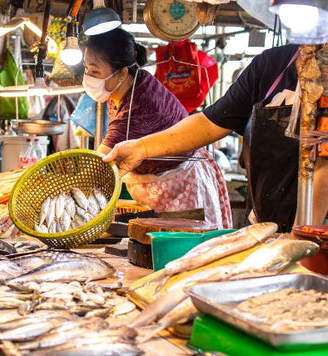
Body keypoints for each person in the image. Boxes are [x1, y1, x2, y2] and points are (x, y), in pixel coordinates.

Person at [104, 43, 328, 232]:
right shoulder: (271, 65)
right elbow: (210, 122)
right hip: (266, 229)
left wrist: (301, 238)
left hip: (318, 238)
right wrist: (141, 148)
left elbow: (324, 168)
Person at [83, 28, 232, 229]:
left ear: (122, 72)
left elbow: (96, 168)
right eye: (86, 69)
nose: (88, 77)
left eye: (95, 71)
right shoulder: (128, 84)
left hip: (181, 188)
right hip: (159, 186)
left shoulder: (139, 106)